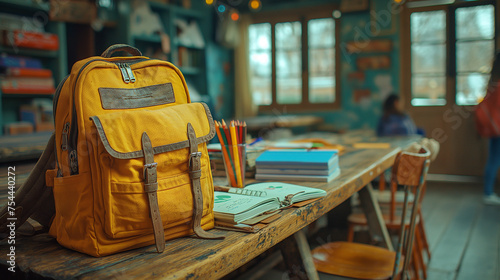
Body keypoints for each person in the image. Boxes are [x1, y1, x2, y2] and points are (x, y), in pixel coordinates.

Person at [481, 52, 500, 205]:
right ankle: (488, 192)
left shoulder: (493, 83)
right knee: (494, 159)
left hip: (494, 128)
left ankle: (488, 191)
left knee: (493, 158)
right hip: (498, 127)